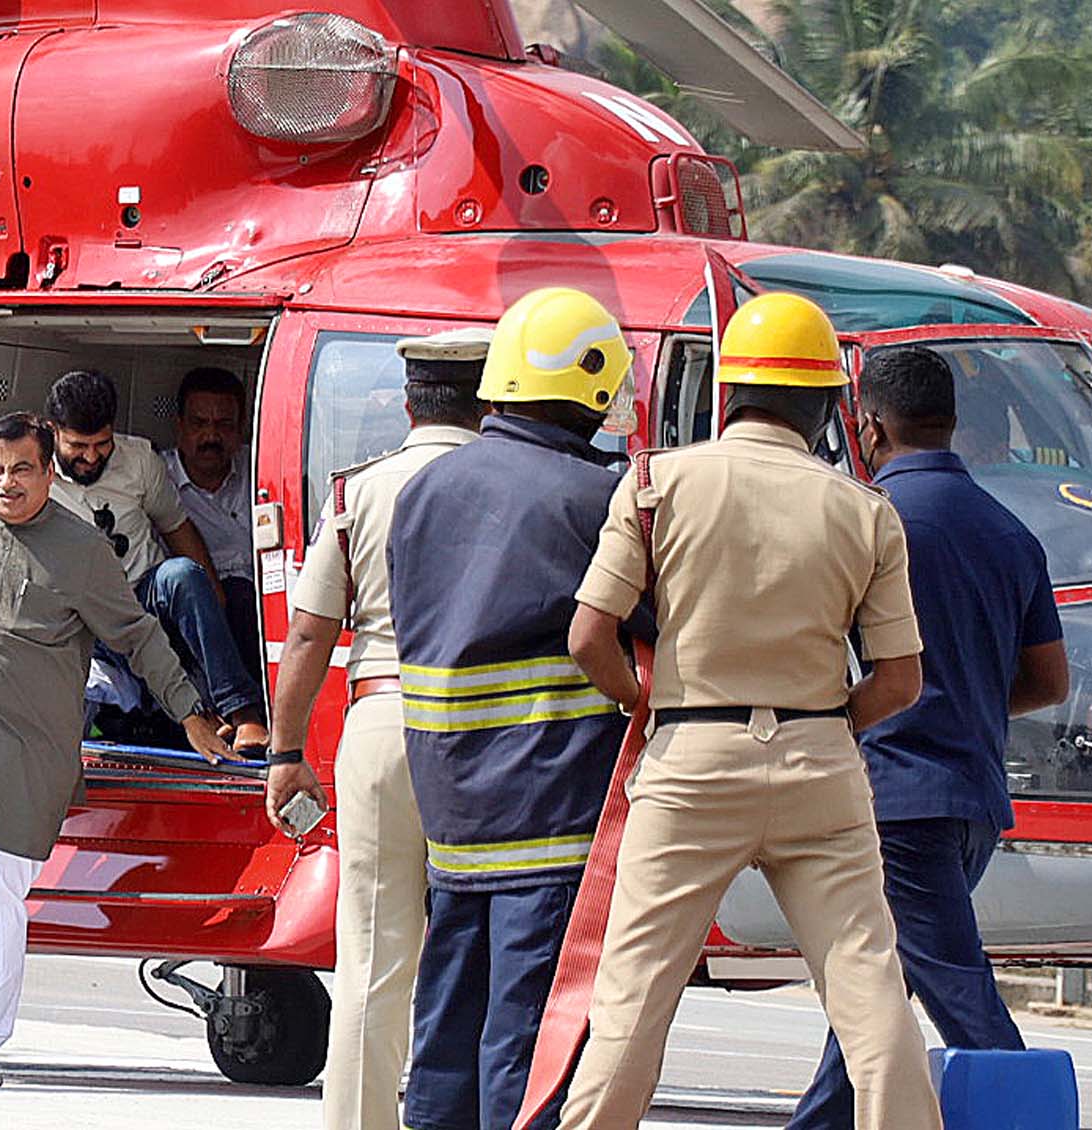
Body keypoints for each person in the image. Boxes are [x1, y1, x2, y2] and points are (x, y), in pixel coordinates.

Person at [558, 292, 941, 1130]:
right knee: (869, 991)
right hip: (819, 764)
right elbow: (901, 681)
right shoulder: (867, 512)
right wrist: (830, 722)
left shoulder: (658, 483)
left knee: (633, 996)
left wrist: (643, 701)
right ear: (828, 404)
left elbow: (592, 636)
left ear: (728, 389)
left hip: (692, 757)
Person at [0, 412, 232, 1087]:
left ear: (47, 473)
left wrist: (191, 712)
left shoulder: (82, 548)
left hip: (23, 751)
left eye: (21, 469)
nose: (5, 482)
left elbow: (140, 635)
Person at [786, 345, 1069, 1129]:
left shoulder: (866, 518)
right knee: (878, 989)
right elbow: (1048, 682)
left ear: (868, 426)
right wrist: (969, 701)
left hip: (898, 799)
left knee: (959, 994)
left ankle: (1028, 1118)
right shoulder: (1011, 532)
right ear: (950, 423)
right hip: (974, 798)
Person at [387, 289, 646, 1130]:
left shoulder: (423, 489)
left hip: (451, 807)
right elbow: (645, 630)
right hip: (551, 803)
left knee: (448, 1024)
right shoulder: (592, 499)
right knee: (528, 1038)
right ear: (595, 386)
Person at [268, 328, 486, 1130]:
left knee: (370, 952)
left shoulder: (359, 492)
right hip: (493, 727)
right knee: (485, 941)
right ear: (488, 401)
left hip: (384, 718)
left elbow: (308, 635)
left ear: (407, 401)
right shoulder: (510, 483)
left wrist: (286, 752)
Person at [44, 369, 268, 753]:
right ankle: (202, 719)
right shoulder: (33, 471)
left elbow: (178, 530)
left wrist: (214, 605)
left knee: (184, 576)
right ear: (54, 432)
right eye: (79, 446)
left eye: (102, 444)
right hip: (88, 616)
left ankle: (244, 715)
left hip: (145, 593)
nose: (92, 456)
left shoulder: (138, 461)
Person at [162, 366, 263, 683]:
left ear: (241, 428)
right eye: (199, 424)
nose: (211, 436)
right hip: (193, 613)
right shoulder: (156, 479)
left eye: (223, 425)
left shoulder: (262, 466)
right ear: (179, 427)